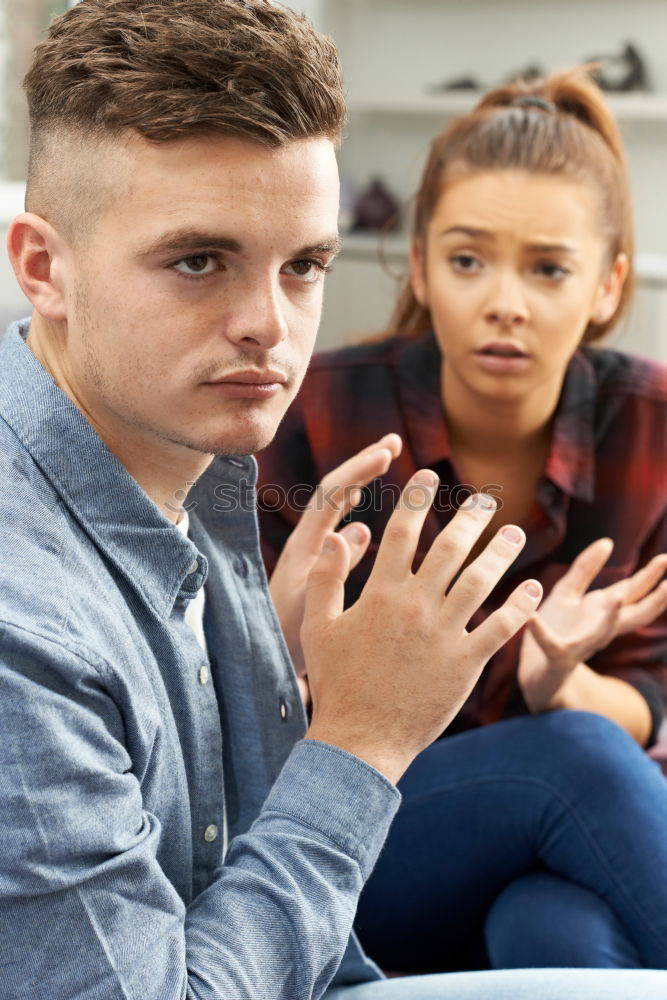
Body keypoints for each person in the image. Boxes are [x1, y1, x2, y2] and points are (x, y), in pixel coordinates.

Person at [258, 68, 667, 976]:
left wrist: (555, 678)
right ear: (418, 263)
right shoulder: (316, 414)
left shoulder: (651, 423)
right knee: (576, 761)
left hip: (565, 844)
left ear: (606, 286)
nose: (504, 303)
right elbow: (229, 714)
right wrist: (287, 646)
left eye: (549, 268)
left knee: (550, 931)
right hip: (352, 845)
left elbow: (646, 696)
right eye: (468, 260)